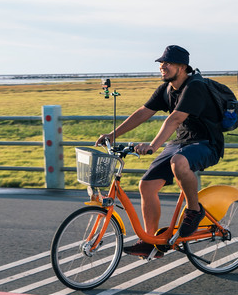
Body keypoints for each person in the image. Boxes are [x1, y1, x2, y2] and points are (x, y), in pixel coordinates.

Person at [95, 45, 224, 258]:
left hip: (207, 143)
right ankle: (149, 240)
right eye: (161, 63)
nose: (162, 66)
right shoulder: (167, 88)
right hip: (181, 142)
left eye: (168, 63)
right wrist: (112, 135)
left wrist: (153, 146)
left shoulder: (195, 87)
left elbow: (175, 119)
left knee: (178, 162)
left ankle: (194, 210)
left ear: (182, 67)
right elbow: (143, 112)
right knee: (146, 186)